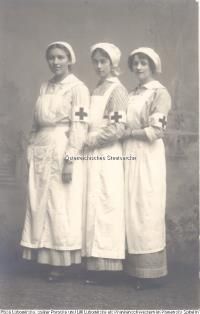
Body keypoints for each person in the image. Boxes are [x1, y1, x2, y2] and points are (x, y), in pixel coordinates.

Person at [20, 41, 90, 282]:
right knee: (39, 202)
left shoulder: (78, 88)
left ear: (70, 59)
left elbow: (80, 125)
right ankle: (43, 257)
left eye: (61, 57)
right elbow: (35, 123)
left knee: (60, 204)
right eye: (51, 58)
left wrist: (70, 159)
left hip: (62, 148)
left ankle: (60, 262)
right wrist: (31, 148)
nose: (56, 62)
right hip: (41, 148)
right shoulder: (44, 86)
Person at [123, 47, 171, 290]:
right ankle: (131, 269)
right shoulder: (131, 94)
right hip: (128, 152)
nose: (139, 67)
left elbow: (156, 131)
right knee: (129, 207)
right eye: (136, 63)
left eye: (144, 63)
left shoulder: (159, 93)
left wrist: (128, 133)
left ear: (153, 66)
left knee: (146, 207)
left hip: (148, 155)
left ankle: (148, 272)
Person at [83, 43, 128, 284]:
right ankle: (94, 264)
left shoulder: (118, 91)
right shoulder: (96, 88)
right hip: (92, 155)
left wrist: (92, 139)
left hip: (108, 154)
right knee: (93, 205)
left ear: (113, 64)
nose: (99, 66)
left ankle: (108, 268)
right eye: (96, 61)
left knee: (107, 205)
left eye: (104, 61)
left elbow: (118, 128)